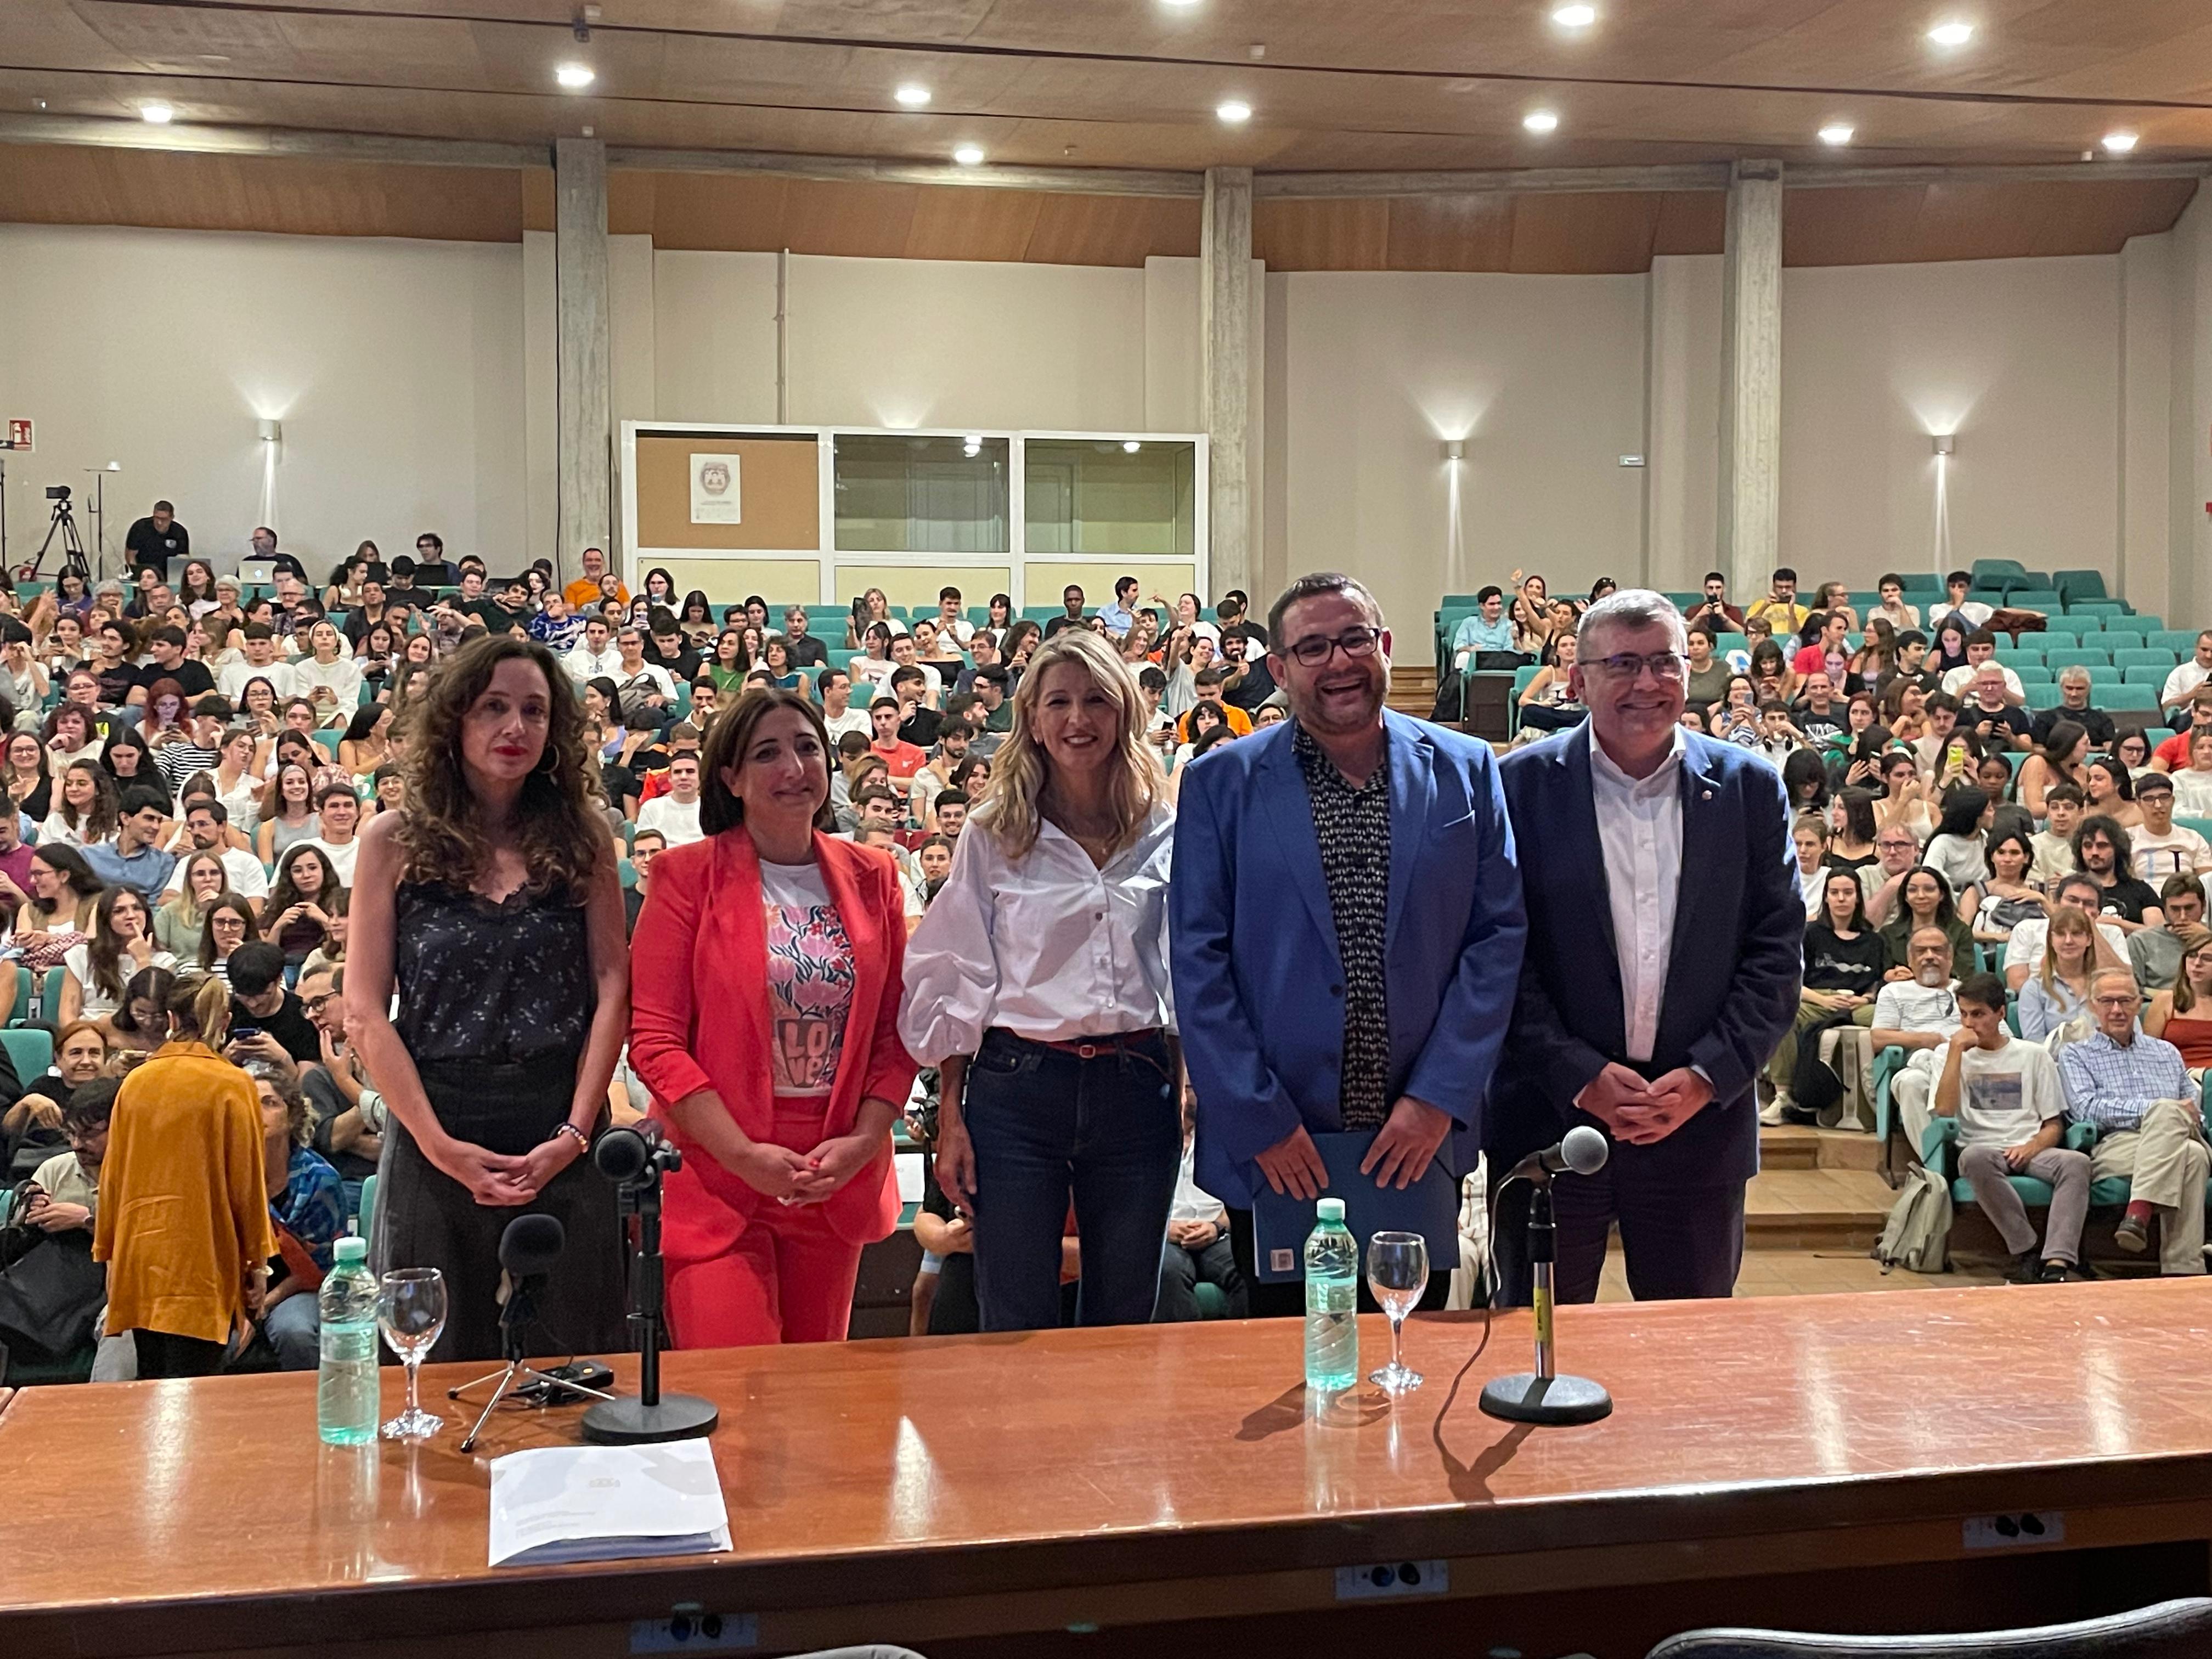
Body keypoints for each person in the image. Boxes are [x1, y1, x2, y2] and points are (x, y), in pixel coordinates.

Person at [1167, 574, 1524, 1317]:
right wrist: (1258, 1119)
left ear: (1385, 645)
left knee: (1409, 1366)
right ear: (1280, 669)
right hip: (1281, 1145)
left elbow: (1496, 940)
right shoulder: (1220, 784)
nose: (1339, 662)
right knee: (1284, 1381)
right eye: (1313, 647)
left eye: (1355, 638)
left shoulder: (1466, 769)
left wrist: (1437, 1099)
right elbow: (1198, 962)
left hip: (1415, 1136)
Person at [1493, 589, 1797, 1304]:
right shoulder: (1516, 788)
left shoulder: (1751, 789)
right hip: (1549, 1123)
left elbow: (1776, 955)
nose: (1647, 683)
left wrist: (1705, 1077)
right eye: (1622, 664)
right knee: (1536, 1354)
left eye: (1663, 662)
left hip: (1700, 1128)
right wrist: (1579, 1074)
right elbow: (1498, 955)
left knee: (1688, 1374)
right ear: (1578, 680)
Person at [347, 635, 630, 1363]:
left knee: (575, 1367)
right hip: (436, 1121)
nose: (516, 728)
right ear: (454, 722)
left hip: (562, 1124)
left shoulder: (586, 838)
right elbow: (365, 1011)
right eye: (495, 708)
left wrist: (573, 1135)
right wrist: (439, 1146)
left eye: (534, 711)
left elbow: (612, 986)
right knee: (430, 1368)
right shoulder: (390, 841)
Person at [899, 631, 1183, 1329]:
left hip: (1135, 1085)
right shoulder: (994, 831)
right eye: (1058, 702)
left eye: (1095, 701)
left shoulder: (1163, 827)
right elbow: (960, 971)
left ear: (1123, 713)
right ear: (1031, 717)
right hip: (1017, 1090)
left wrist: (1185, 1085)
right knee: (1014, 1316)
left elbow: (1183, 970)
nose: (1077, 720)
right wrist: (953, 1117)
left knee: (1124, 1315)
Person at [630, 689, 916, 1346]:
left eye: (808, 747)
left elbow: (895, 1031)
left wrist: (864, 1141)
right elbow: (654, 1039)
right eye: (767, 753)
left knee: (815, 1407)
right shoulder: (683, 876)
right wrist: (741, 1154)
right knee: (740, 1402)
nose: (794, 767)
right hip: (718, 1174)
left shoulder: (874, 874)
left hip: (832, 1172)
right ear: (730, 776)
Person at [92, 974, 274, 1378]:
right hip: (202, 1259)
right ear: (224, 1020)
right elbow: (246, 1184)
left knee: (152, 1388)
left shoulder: (135, 1082)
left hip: (139, 1259)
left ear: (171, 1017)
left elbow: (113, 1179)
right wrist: (256, 1263)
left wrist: (108, 1254)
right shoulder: (234, 1083)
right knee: (196, 1397)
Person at [1932, 972, 2090, 1283]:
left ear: (2001, 1013)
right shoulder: (1947, 1054)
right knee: (1973, 1157)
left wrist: (2030, 1147)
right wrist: (1954, 1053)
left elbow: (2053, 1124)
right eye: (1964, 1014)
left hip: (2029, 1146)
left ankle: (2057, 1261)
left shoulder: (2034, 1055)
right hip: (1981, 1148)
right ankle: (2028, 1248)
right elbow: (1944, 1111)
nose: (1968, 1023)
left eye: (1978, 1014)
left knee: (2077, 1163)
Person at [2061, 969, 2209, 1274]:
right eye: (2107, 1001)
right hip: (2117, 1145)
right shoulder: (2076, 1054)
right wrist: (2156, 1109)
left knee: (2177, 1126)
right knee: (2192, 1157)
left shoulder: (2166, 1052)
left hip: (2176, 1135)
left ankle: (2138, 1212)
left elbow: (2194, 1110)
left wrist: (2171, 1113)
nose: (2117, 1010)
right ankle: (2183, 1268)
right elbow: (2086, 1110)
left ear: (2139, 1003)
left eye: (2126, 1001)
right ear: (2092, 1005)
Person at [1764, 868, 1888, 1126]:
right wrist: (1821, 1000)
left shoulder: (1874, 941)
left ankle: (1882, 1104)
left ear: (1858, 898)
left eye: (1848, 893)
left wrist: (1865, 999)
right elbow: (1792, 979)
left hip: (1857, 1005)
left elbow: (1877, 984)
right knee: (1781, 1013)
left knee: (1887, 1017)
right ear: (1826, 898)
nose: (1841, 899)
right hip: (1816, 1000)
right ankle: (1783, 1096)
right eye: (1835, 893)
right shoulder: (1810, 934)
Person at [250, 1060, 345, 1371]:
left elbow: (318, 1267)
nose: (257, 1112)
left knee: (296, 1331)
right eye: (247, 1104)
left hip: (299, 1286)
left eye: (269, 1103)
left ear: (291, 1116)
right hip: (237, 1286)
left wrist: (267, 1301)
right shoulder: (224, 1176)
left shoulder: (320, 1180)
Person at [1871, 925, 1966, 1153]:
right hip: (1919, 1066)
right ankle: (1935, 1163)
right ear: (1909, 959)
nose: (1930, 957)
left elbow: (2003, 1036)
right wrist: (1924, 1039)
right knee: (1911, 1082)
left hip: (1966, 1065)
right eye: (1921, 951)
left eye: (1937, 950)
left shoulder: (1969, 991)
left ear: (1950, 957)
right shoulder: (1894, 991)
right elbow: (1878, 1038)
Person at [2018, 905, 2114, 1041]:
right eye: (2061, 934)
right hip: (2055, 1062)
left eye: (2076, 933)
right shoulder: (2034, 989)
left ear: (2089, 940)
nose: (2068, 941)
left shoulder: (2109, 986)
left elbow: (2129, 1036)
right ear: (2051, 940)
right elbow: (2035, 1045)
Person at [81, 786, 177, 900]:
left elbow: (155, 908)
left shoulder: (164, 862)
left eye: (159, 821)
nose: (156, 827)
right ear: (125, 818)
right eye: (149, 818)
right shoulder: (89, 856)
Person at [2075, 814, 2163, 931]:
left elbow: (2158, 935)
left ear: (2117, 849)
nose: (2094, 852)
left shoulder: (2140, 890)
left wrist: (2116, 924)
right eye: (2088, 846)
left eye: (2102, 846)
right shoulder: (2071, 890)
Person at [2144, 924, 2212, 1068]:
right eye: (2192, 956)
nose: (2197, 963)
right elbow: (2147, 1054)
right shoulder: (2165, 1000)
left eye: (2207, 958)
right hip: (2177, 1078)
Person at [2128, 771, 2212, 879]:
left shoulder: (2194, 839)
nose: (2158, 805)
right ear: (2139, 804)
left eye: (2164, 797)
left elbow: (2207, 884)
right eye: (2149, 799)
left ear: (2173, 800)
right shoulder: (2127, 839)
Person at [124, 500, 189, 574]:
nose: (159, 522)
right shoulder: (140, 528)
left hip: (169, 574)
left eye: (164, 519)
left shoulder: (180, 532)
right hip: (144, 572)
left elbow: (183, 559)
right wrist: (137, 574)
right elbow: (131, 555)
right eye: (157, 518)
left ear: (172, 517)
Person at [2162, 631, 2212, 718]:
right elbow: (2166, 707)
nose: (2209, 656)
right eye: (2204, 650)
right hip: (2188, 718)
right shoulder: (2180, 672)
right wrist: (2192, 695)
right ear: (2196, 648)